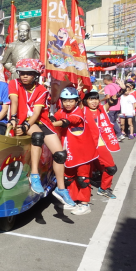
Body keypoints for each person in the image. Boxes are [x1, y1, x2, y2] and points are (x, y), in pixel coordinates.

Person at [8, 59, 75, 208]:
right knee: (37, 136)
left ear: (36, 75)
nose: (24, 76)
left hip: (38, 121)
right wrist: (13, 118)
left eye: (29, 74)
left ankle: (61, 189)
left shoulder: (42, 90)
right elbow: (14, 101)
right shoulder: (14, 84)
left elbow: (37, 112)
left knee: (60, 154)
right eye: (22, 73)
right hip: (21, 119)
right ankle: (34, 175)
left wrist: (26, 125)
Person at [52, 87, 99, 216]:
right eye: (65, 100)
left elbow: (71, 121)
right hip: (69, 151)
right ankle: (71, 200)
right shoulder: (61, 111)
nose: (68, 103)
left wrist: (52, 123)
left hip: (83, 152)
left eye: (71, 101)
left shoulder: (79, 112)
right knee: (68, 177)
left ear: (77, 101)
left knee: (83, 178)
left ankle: (85, 204)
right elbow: (55, 118)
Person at [82, 90, 119, 199]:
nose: (94, 101)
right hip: (87, 144)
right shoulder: (82, 110)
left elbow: (112, 101)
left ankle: (103, 188)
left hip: (100, 144)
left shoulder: (101, 109)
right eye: (91, 99)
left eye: (96, 99)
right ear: (86, 101)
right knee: (84, 171)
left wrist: (121, 91)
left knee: (111, 168)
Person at [102, 74, 125, 141]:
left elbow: (108, 96)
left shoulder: (107, 86)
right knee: (113, 121)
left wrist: (100, 100)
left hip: (111, 107)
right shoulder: (116, 85)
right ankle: (117, 135)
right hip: (117, 106)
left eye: (104, 80)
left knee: (111, 122)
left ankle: (119, 135)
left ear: (105, 80)